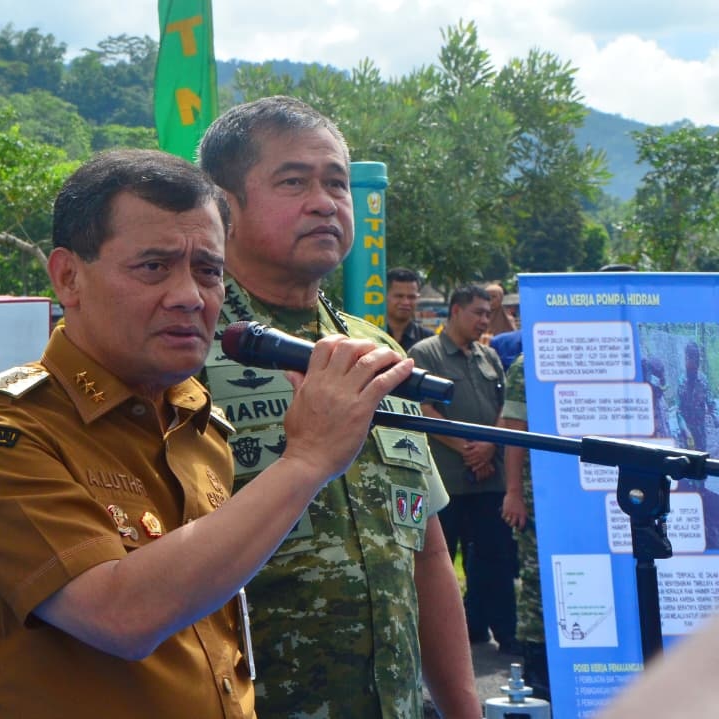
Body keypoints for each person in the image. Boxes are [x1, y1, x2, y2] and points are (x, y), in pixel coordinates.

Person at [0, 148, 417, 719]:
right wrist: (306, 459)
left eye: (208, 270)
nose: (190, 295)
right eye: (154, 266)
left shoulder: (199, 424)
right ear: (68, 277)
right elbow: (121, 615)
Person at [198, 96, 480, 718]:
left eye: (337, 184)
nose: (325, 202)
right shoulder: (186, 349)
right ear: (224, 207)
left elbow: (426, 550)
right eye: (294, 182)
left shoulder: (376, 350)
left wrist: (465, 709)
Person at [408, 285, 516, 655]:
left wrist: (489, 445)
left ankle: (499, 631)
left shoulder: (488, 355)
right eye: (478, 313)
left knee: (494, 558)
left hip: (490, 477)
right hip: (447, 479)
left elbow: (504, 407)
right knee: (438, 560)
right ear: (455, 311)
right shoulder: (426, 353)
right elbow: (422, 409)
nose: (484, 320)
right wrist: (468, 448)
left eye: (488, 313)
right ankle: (437, 643)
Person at [499, 354, 549, 699]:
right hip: (538, 494)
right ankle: (538, 676)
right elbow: (515, 433)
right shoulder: (527, 363)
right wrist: (514, 492)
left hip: (586, 495)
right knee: (537, 585)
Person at [384, 266, 434, 351]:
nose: (405, 302)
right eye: (399, 296)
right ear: (384, 296)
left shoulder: (428, 339)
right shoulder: (370, 334)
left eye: (411, 297)